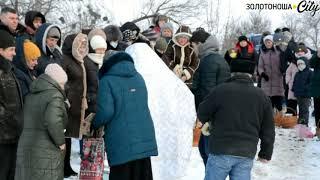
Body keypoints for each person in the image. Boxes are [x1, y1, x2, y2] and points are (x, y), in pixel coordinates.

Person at [126, 43, 196, 180]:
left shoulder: (131, 77)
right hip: (165, 134)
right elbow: (186, 97)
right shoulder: (166, 77)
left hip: (137, 136)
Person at [197, 57, 275, 180]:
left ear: (231, 73)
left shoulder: (220, 90)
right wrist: (265, 153)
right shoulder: (261, 96)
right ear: (252, 74)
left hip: (220, 149)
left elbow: (202, 113)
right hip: (246, 152)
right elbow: (268, 129)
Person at [93, 52, 158, 180]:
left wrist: (94, 123)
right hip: (144, 136)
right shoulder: (138, 77)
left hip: (121, 139)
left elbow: (106, 111)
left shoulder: (107, 81)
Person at [15, 64, 68, 180]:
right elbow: (53, 121)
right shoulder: (55, 96)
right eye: (62, 84)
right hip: (46, 149)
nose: (63, 88)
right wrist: (61, 142)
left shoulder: (31, 94)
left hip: (26, 145)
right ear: (55, 81)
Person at [190, 29, 230, 165]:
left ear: (200, 44)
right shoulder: (219, 59)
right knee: (208, 153)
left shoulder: (208, 62)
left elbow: (208, 92)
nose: (193, 49)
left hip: (210, 118)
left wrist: (203, 117)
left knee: (207, 153)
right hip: (220, 113)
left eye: (193, 46)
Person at [62, 32, 89, 177]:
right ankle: (63, 166)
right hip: (68, 103)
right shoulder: (65, 59)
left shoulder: (79, 60)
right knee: (65, 134)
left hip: (77, 103)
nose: (82, 46)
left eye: (84, 44)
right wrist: (67, 98)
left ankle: (67, 166)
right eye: (79, 43)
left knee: (70, 134)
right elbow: (63, 82)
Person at [0, 30, 23, 180]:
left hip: (12, 135)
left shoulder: (9, 69)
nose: (14, 53)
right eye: (11, 49)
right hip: (2, 137)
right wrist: (9, 119)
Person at [258, 35, 284, 111]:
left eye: (269, 42)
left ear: (272, 43)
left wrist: (282, 70)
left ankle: (279, 120)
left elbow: (283, 62)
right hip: (266, 81)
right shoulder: (262, 53)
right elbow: (260, 66)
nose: (268, 44)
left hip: (277, 81)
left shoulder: (278, 52)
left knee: (279, 105)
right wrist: (262, 73)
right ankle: (269, 121)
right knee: (268, 106)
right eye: (266, 43)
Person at [292, 57, 313, 125]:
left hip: (306, 95)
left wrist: (305, 88)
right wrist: (293, 88)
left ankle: (304, 124)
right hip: (298, 95)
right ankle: (300, 123)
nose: (300, 65)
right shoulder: (297, 74)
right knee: (300, 110)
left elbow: (311, 83)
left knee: (305, 110)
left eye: (301, 63)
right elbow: (294, 82)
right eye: (298, 64)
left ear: (306, 63)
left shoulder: (310, 72)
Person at [309, 50, 320, 132]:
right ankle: (318, 130)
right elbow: (311, 64)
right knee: (318, 110)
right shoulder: (317, 54)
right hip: (317, 88)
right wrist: (317, 56)